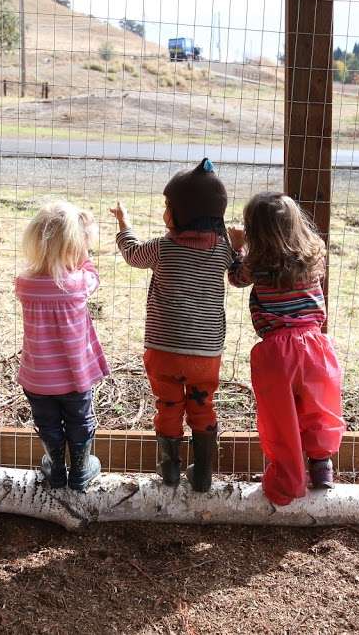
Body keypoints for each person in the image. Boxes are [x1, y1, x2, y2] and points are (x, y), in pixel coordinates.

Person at [110, 158, 235, 491]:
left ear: (181, 214)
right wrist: (243, 242)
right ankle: (204, 474)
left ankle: (169, 472)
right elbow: (240, 276)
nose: (165, 212)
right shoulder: (224, 250)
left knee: (168, 405)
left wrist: (124, 224)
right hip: (206, 353)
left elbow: (132, 254)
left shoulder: (164, 248)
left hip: (163, 351)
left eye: (168, 206)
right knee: (202, 405)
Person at [228, 191, 346, 505]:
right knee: (318, 406)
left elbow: (235, 278)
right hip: (314, 346)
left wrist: (236, 245)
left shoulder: (256, 264)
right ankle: (322, 467)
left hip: (276, 352)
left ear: (255, 231)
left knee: (280, 416)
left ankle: (286, 476)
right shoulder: (314, 254)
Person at [16, 201, 109, 491]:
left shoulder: (24, 283)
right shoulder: (80, 282)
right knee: (80, 419)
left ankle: (56, 469)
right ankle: (81, 470)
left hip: (38, 378)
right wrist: (82, 254)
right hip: (74, 377)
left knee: (48, 423)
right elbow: (91, 273)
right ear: (75, 246)